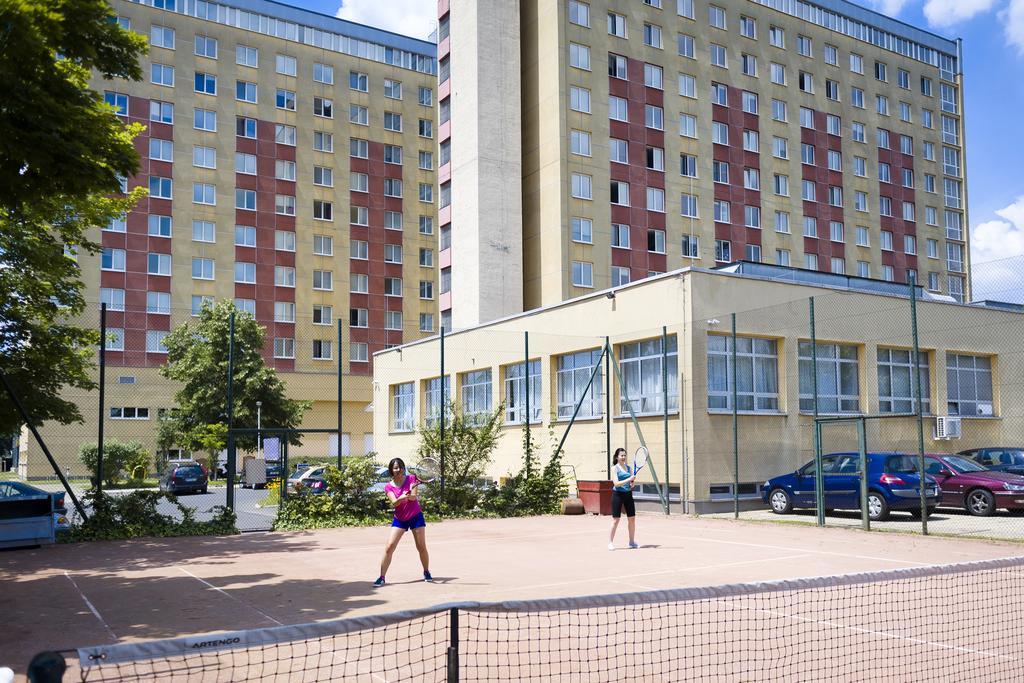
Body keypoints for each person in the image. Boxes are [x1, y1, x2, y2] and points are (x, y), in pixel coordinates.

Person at [374, 457, 432, 586]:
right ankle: (382, 577)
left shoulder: (411, 479)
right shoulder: (388, 487)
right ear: (391, 470)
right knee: (389, 547)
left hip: (416, 516)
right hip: (400, 519)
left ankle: (426, 571)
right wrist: (401, 497)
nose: (398, 470)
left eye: (400, 467)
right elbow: (394, 502)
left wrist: (408, 496)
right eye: (395, 468)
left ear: (403, 468)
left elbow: (413, 497)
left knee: (421, 546)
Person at [609, 448, 638, 550]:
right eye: (621, 455)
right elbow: (616, 483)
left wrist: (632, 483)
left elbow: (631, 484)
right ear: (617, 457)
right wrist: (629, 479)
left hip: (628, 495)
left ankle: (631, 542)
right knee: (616, 520)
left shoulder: (629, 468)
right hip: (617, 494)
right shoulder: (614, 468)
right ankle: (610, 543)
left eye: (625, 455)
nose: (623, 457)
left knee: (632, 519)